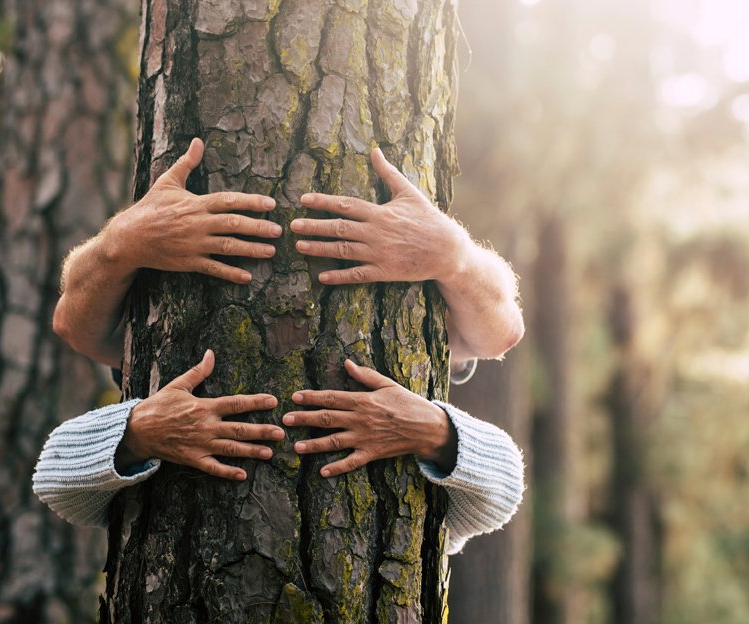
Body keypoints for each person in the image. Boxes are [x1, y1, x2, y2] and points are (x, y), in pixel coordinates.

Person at [33, 139, 525, 553]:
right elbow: (55, 472)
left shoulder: (435, 345)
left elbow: (502, 335)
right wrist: (122, 242)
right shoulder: (144, 344)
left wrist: (455, 258)